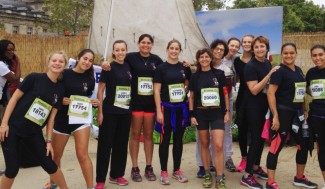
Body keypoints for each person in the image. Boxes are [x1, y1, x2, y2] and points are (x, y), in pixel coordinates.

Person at [0, 51, 69, 189]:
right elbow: (14, 99)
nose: (57, 63)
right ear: (49, 62)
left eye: (61, 61)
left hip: (33, 132)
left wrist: (49, 141)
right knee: (12, 170)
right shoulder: (34, 78)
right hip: (13, 129)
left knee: (50, 165)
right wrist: (4, 124)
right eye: (54, 60)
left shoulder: (60, 89)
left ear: (65, 65)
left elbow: (51, 118)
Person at [44, 49, 99, 189]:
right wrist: (60, 100)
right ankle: (53, 184)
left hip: (80, 120)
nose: (87, 62)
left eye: (90, 60)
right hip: (62, 120)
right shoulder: (64, 74)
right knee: (55, 157)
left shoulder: (90, 79)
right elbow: (53, 92)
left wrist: (94, 102)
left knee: (82, 154)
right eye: (85, 58)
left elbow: (87, 98)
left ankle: (90, 187)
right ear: (78, 58)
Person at [266, 42, 318, 189]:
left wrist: (304, 109)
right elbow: (270, 93)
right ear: (282, 54)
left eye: (291, 53)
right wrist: (275, 116)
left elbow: (301, 93)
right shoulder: (279, 71)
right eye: (286, 53)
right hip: (282, 113)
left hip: (298, 114)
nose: (288, 55)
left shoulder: (299, 71)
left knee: (304, 144)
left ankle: (299, 177)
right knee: (276, 146)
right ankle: (271, 182)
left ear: (296, 53)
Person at [240, 36, 280, 189]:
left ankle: (256, 168)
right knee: (256, 140)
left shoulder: (267, 63)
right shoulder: (250, 66)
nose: (259, 49)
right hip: (253, 107)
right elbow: (254, 90)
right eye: (256, 47)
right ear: (253, 49)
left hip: (265, 107)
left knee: (262, 139)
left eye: (262, 46)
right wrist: (269, 75)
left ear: (266, 48)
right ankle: (247, 175)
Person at [189, 48, 230, 188]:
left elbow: (225, 94)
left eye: (207, 57)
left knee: (218, 145)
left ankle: (220, 177)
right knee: (204, 143)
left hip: (217, 114)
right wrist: (192, 114)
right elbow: (192, 97)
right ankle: (207, 173)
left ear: (211, 58)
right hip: (201, 114)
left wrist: (227, 112)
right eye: (202, 57)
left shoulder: (219, 74)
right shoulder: (195, 76)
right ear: (198, 59)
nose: (204, 59)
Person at [153, 39, 191, 185]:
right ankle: (163, 172)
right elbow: (156, 90)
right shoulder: (161, 68)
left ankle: (177, 170)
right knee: (164, 140)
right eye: (172, 48)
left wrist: (184, 91)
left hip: (180, 108)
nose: (174, 51)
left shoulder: (184, 67)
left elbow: (187, 85)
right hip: (166, 108)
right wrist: (159, 111)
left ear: (180, 51)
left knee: (178, 140)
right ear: (167, 49)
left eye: (177, 49)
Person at [95, 40, 132, 189]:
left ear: (126, 51)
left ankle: (116, 175)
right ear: (113, 51)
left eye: (123, 50)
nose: (120, 52)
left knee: (121, 145)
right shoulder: (108, 67)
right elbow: (100, 90)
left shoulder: (129, 66)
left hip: (125, 112)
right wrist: (100, 112)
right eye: (117, 50)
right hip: (110, 112)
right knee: (105, 146)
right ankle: (100, 180)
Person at [127, 34, 163, 182]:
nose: (146, 45)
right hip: (135, 103)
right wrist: (106, 65)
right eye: (143, 42)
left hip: (150, 105)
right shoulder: (130, 57)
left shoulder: (157, 60)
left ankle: (149, 167)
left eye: (148, 43)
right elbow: (117, 63)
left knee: (148, 135)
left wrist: (185, 66)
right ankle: (135, 168)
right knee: (135, 134)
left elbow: (168, 71)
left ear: (152, 45)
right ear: (138, 43)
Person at [233, 34, 254, 172]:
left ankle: (254, 160)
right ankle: (244, 158)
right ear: (241, 44)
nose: (247, 44)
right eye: (244, 42)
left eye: (249, 42)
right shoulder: (237, 61)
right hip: (242, 98)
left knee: (255, 132)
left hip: (256, 98)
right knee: (242, 130)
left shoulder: (258, 59)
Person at [306, 44, 325, 189]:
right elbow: (308, 91)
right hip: (317, 116)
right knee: (322, 150)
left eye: (321, 54)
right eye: (315, 55)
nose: (317, 58)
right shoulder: (311, 73)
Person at [222, 37, 240, 172]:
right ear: (227, 45)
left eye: (236, 46)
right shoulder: (217, 57)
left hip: (229, 96)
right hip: (215, 98)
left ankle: (228, 157)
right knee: (214, 128)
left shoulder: (235, 61)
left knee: (227, 128)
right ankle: (212, 158)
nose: (234, 48)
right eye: (232, 45)